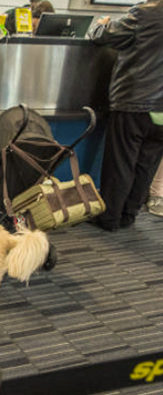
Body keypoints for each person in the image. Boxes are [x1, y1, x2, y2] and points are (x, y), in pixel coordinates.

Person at [87, 0, 163, 231]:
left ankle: (109, 218)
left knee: (121, 163)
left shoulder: (146, 13)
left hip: (135, 100)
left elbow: (103, 36)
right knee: (146, 165)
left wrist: (100, 24)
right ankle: (128, 215)